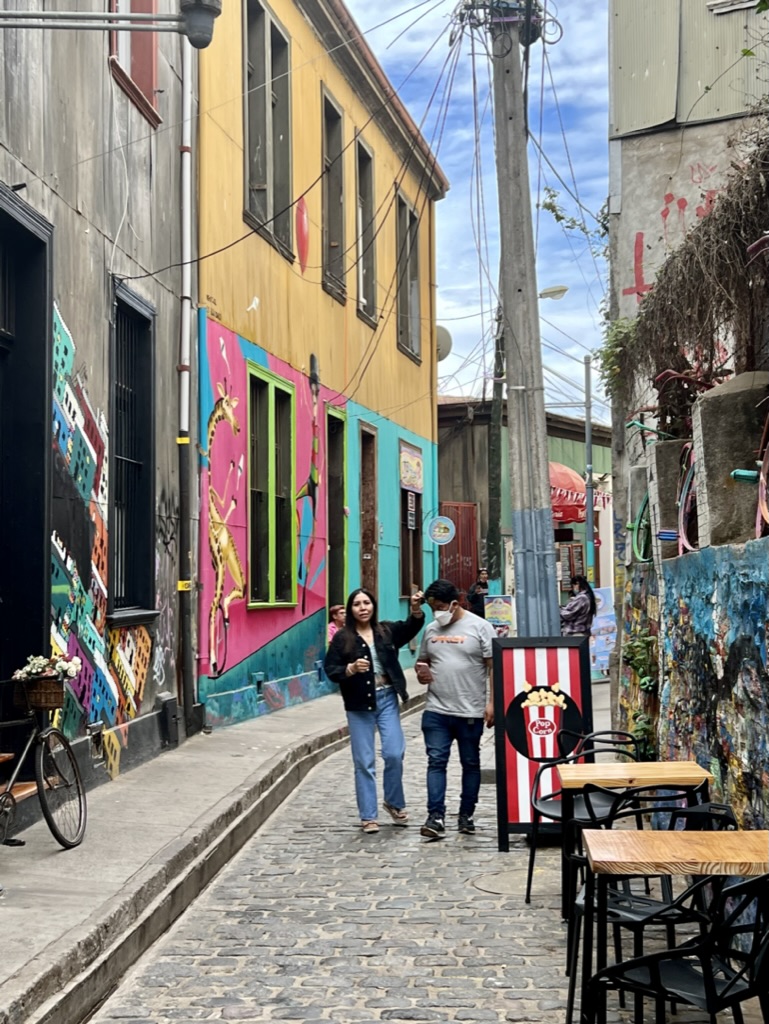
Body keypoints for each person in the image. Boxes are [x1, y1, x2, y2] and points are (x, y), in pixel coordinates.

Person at [324, 587, 425, 834]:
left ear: (373, 606)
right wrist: (349, 669)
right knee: (364, 761)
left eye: (366, 603)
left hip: (387, 697)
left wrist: (415, 608)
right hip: (358, 704)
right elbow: (331, 669)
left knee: (394, 753)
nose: (363, 608)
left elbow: (411, 627)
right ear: (351, 609)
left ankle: (393, 802)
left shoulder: (385, 631)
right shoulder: (343, 638)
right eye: (357, 604)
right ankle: (368, 816)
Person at [415, 579, 496, 840]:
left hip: (469, 711)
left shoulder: (481, 628)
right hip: (436, 709)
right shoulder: (431, 629)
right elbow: (423, 661)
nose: (436, 612)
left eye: (440, 607)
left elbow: (493, 668)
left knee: (470, 763)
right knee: (436, 761)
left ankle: (466, 814)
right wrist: (421, 673)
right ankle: (435, 816)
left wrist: (492, 702)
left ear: (454, 603)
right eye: (432, 608)